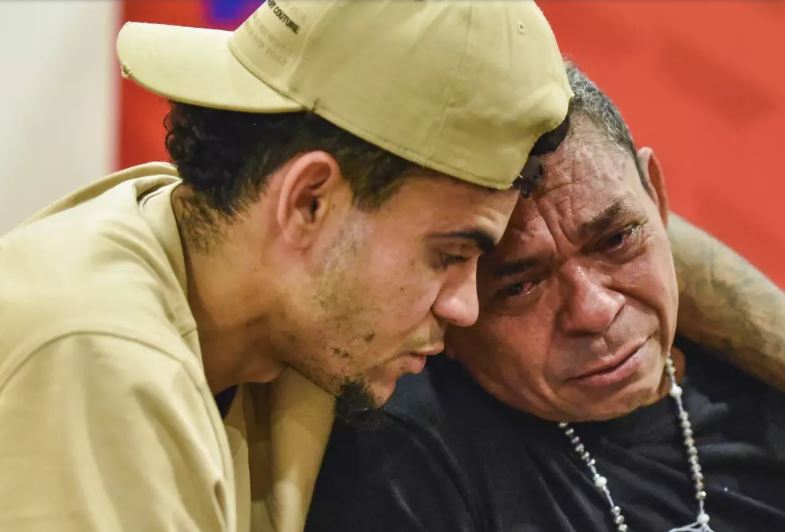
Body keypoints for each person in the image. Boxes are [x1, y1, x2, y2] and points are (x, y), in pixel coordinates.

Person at [0, 2, 575, 531]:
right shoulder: (95, 356)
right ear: (308, 203)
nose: (465, 307)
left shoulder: (259, 303)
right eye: (448, 256)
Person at [305, 63, 785, 532]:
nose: (595, 311)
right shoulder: (408, 465)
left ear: (656, 197)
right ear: (450, 301)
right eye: (519, 286)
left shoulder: (759, 386)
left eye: (617, 240)